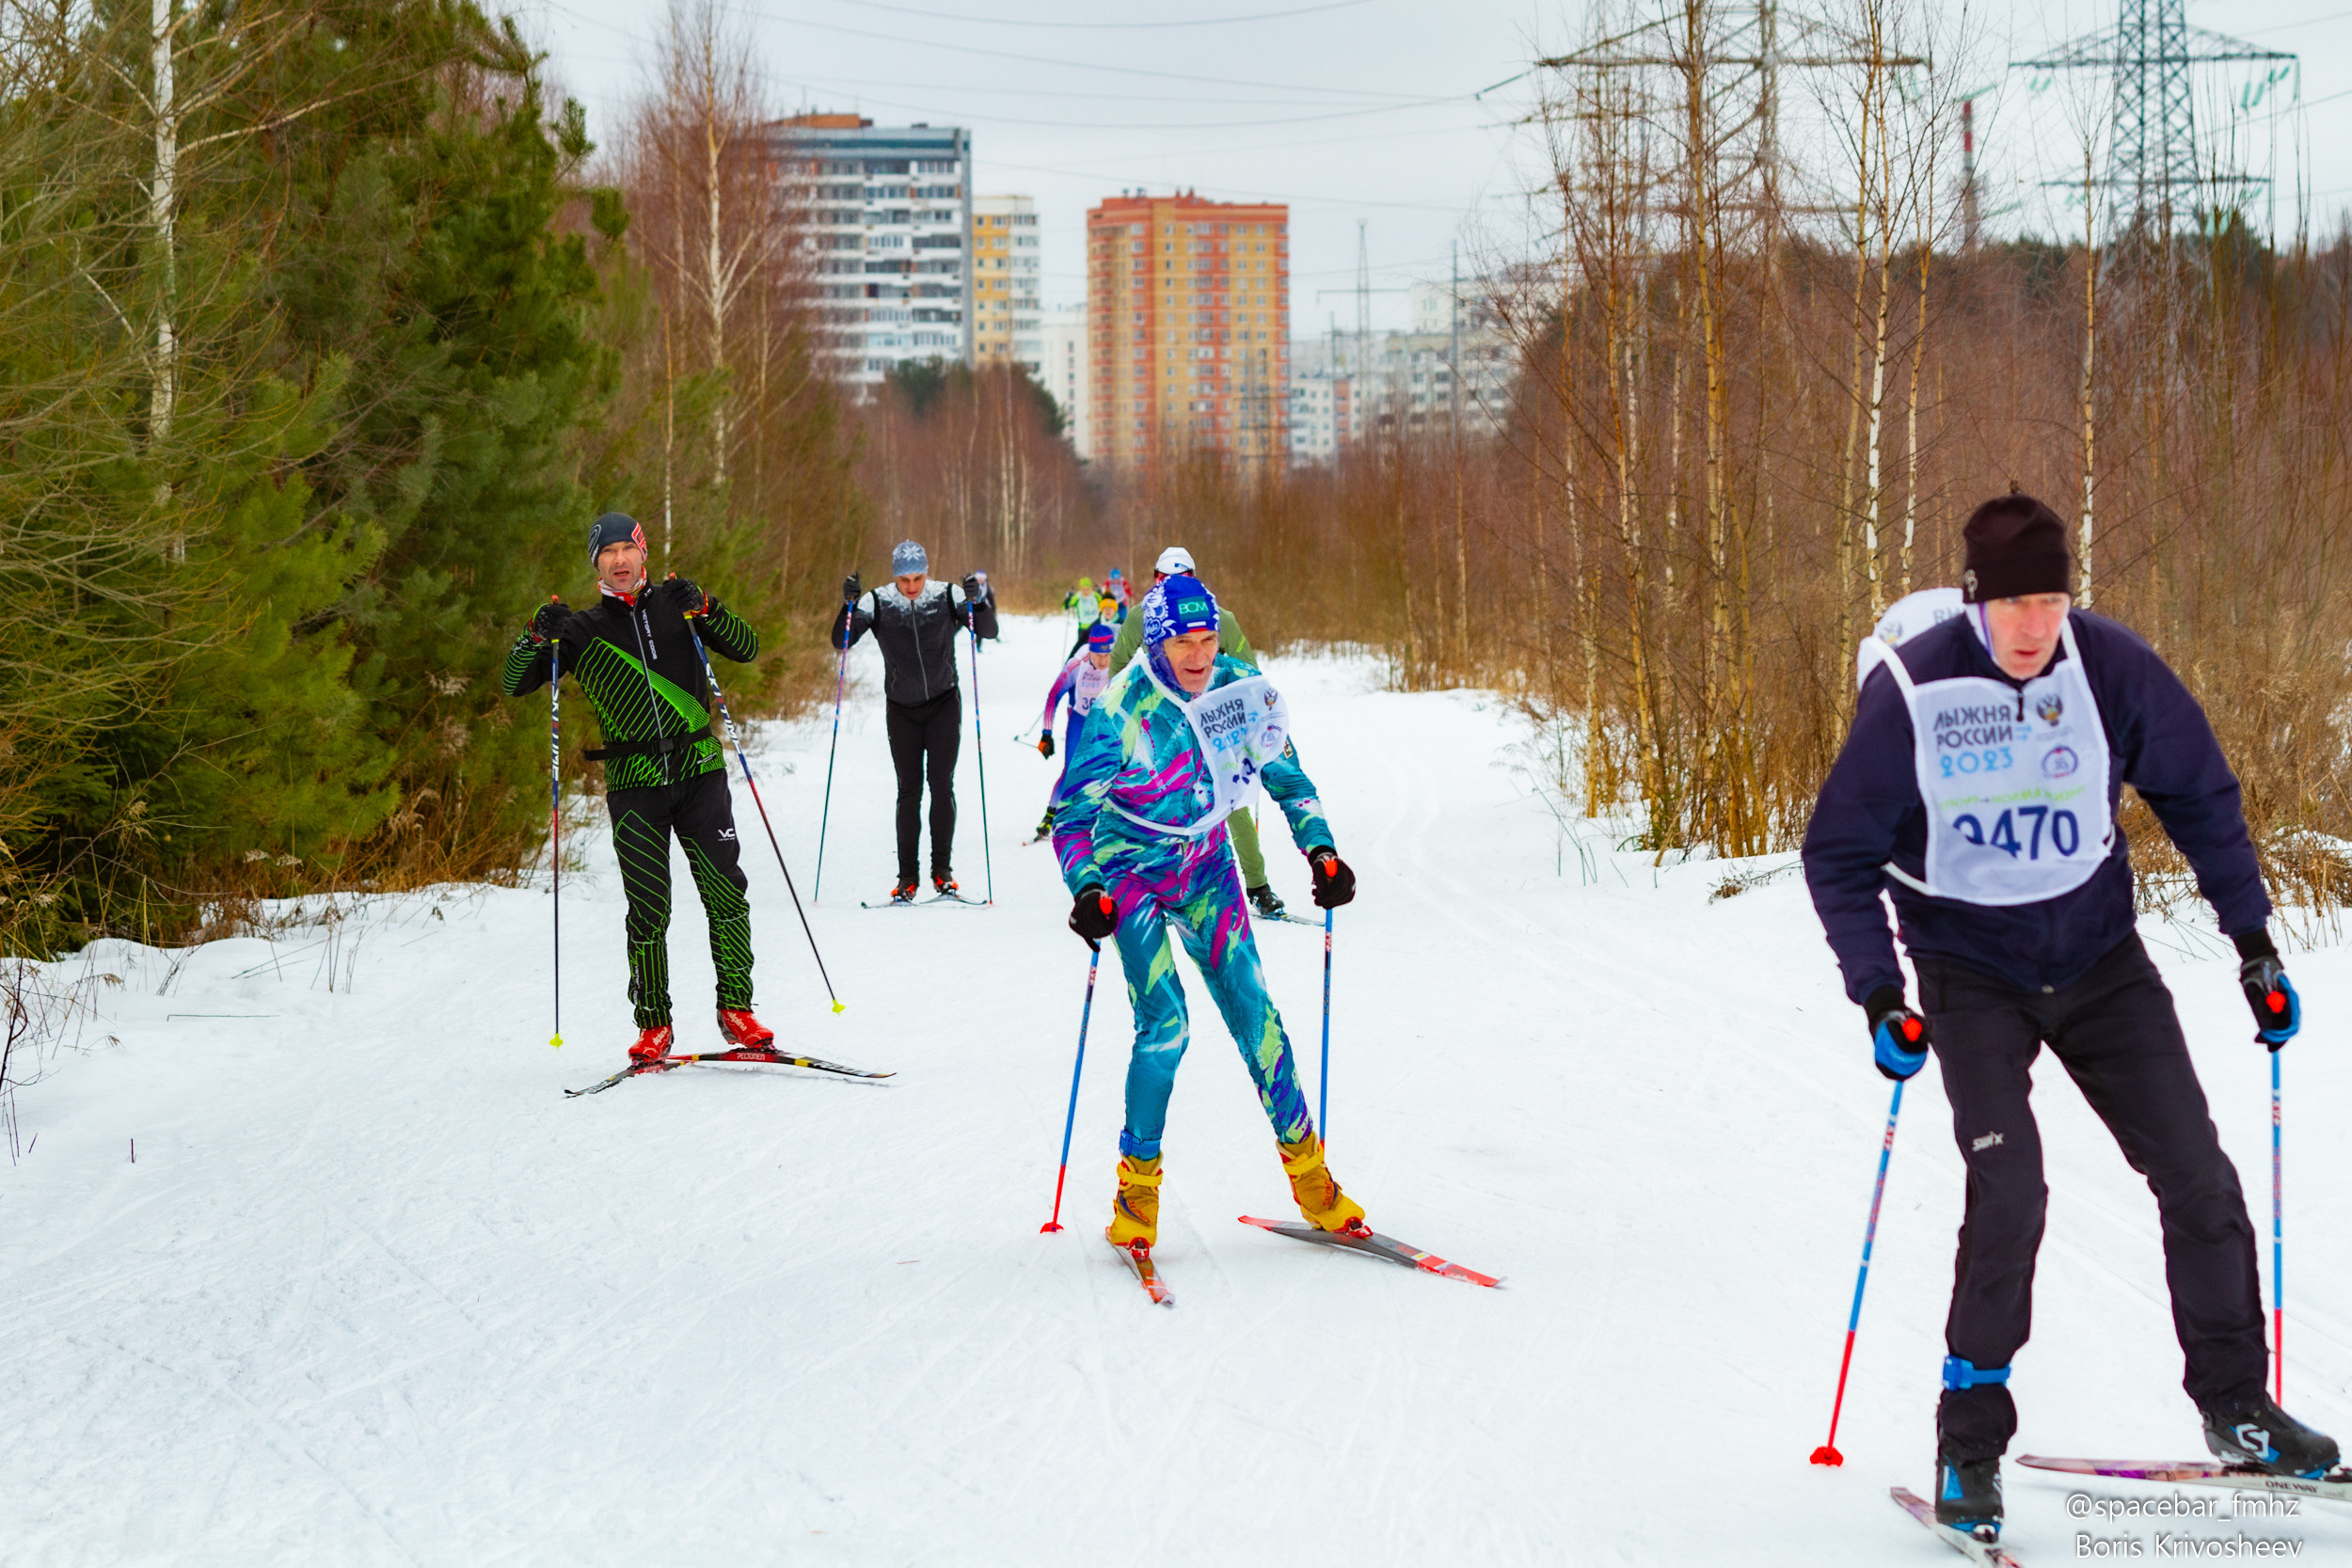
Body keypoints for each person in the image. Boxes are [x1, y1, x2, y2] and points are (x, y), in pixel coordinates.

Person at [1801, 491, 2336, 1545]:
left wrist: (2254, 941)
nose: (2034, 625)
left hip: (2099, 960)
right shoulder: (1913, 690)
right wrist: (1879, 992)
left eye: (2050, 601)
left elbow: (2200, 793)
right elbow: (1838, 853)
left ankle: (2236, 1402)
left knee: (2198, 1173)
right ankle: (1968, 1445)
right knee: (2011, 1192)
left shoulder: (2109, 665)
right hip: (1969, 971)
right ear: (1975, 601)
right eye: (2014, 604)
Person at [1054, 573, 1362, 1259]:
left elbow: (1286, 773)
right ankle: (1137, 1193)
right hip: (1131, 867)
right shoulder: (1120, 710)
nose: (1199, 656)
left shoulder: (1238, 689)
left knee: (1257, 1014)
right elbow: (1071, 818)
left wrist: (1321, 850)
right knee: (1167, 1026)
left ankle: (1313, 1181)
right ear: (1156, 644)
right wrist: (1086, 887)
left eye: (1208, 640)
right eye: (1183, 643)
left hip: (1206, 864)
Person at [500, 512, 771, 1065]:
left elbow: (747, 647)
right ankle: (654, 1024)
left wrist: (708, 606)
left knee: (725, 891)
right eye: (608, 552)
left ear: (643, 553)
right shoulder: (580, 630)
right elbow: (514, 683)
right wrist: (534, 635)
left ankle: (736, 1009)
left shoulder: (678, 604)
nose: (619, 559)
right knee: (648, 908)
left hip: (699, 772)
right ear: (596, 563)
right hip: (634, 786)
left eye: (628, 548)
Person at [1109, 546, 1290, 920]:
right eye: (1165, 579)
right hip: (1160, 724)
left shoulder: (1220, 618)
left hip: (1211, 721)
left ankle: (1257, 886)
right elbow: (1118, 665)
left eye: (1182, 578)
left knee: (1231, 803)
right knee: (1155, 803)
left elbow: (1249, 673)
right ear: (1155, 580)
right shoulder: (1140, 616)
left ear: (1194, 578)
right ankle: (1151, 887)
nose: (1172, 585)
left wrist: (1253, 720)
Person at [832, 540, 998, 902]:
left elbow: (987, 631)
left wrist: (978, 601)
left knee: (941, 785)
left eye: (918, 578)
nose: (911, 586)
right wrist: (848, 605)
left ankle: (942, 871)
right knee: (909, 790)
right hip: (901, 709)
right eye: (904, 579)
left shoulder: (947, 595)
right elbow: (841, 641)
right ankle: (908, 877)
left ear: (927, 572)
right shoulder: (878, 601)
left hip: (943, 704)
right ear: (895, 576)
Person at [1033, 621, 1118, 842]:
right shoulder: (1076, 665)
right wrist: (1046, 734)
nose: (1103, 661)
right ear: (1090, 650)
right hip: (1080, 719)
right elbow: (1053, 696)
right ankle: (1050, 816)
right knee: (1072, 770)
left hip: (1107, 722)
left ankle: (1110, 818)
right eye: (1098, 655)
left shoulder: (1120, 664)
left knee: (1112, 769)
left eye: (1107, 655)